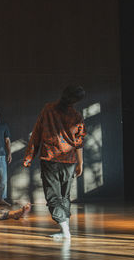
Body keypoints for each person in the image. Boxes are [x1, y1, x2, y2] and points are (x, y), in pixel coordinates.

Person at [23, 84, 86, 240]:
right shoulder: (76, 116)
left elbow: (36, 133)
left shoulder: (48, 109)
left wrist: (29, 156)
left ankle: (65, 230)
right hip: (69, 161)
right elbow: (79, 141)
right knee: (64, 196)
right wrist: (80, 162)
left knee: (53, 196)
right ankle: (65, 229)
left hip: (50, 158)